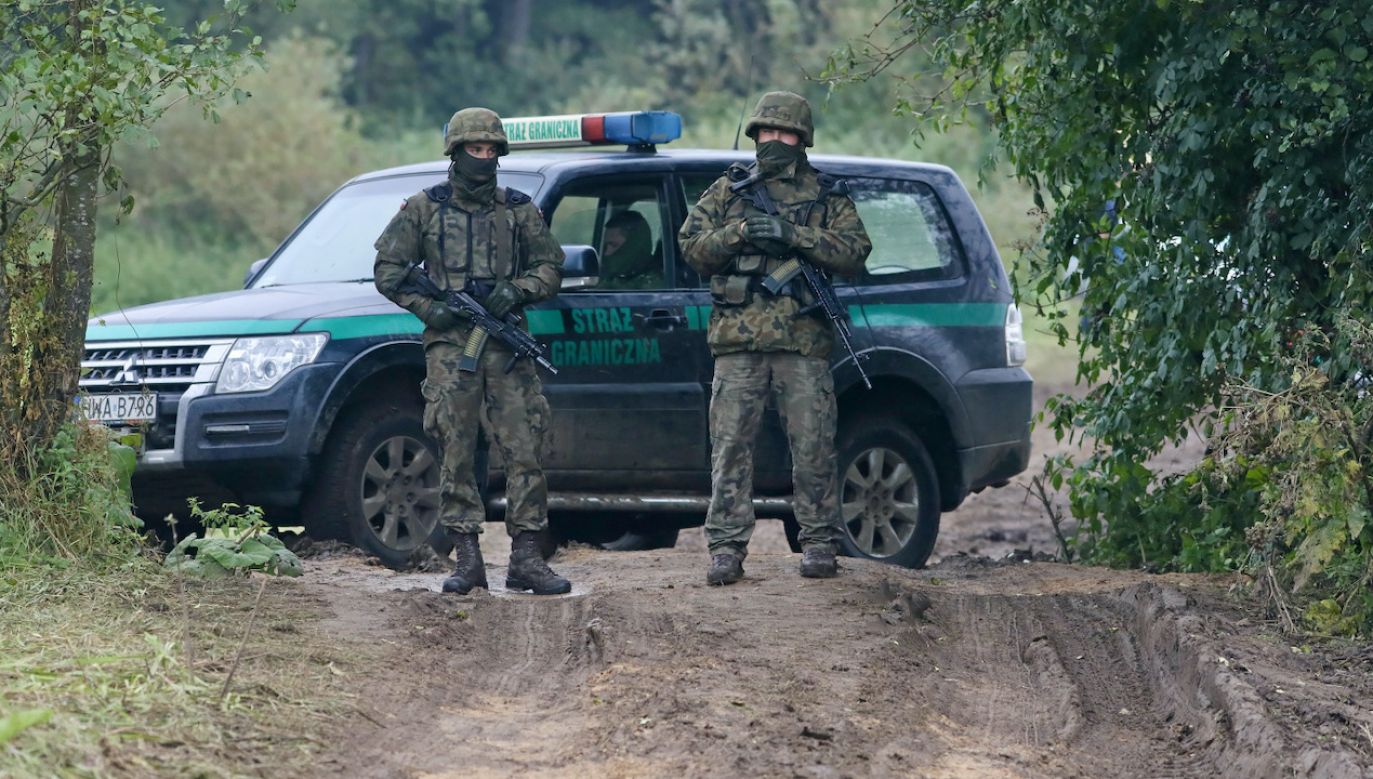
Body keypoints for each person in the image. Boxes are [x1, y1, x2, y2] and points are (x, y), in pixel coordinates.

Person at [372, 107, 572, 596]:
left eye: (490, 151)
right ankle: (466, 558)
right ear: (456, 153)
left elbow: (550, 267)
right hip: (450, 349)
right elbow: (389, 271)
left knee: (525, 448)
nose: (483, 159)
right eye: (474, 150)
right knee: (455, 451)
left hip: (505, 346)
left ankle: (526, 557)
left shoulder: (519, 209)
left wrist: (518, 291)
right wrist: (430, 309)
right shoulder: (424, 208)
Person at [678, 91, 873, 585]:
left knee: (813, 447)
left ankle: (820, 542)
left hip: (802, 344)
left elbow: (855, 251)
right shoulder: (730, 190)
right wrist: (740, 232)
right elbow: (692, 247)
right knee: (729, 450)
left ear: (801, 139)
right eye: (765, 132)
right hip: (738, 344)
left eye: (783, 133)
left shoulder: (827, 194)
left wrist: (793, 235)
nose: (773, 141)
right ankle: (725, 548)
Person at [598, 209, 661, 289]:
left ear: (633, 245)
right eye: (605, 246)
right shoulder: (610, 277)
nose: (606, 253)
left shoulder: (654, 285)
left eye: (613, 245)